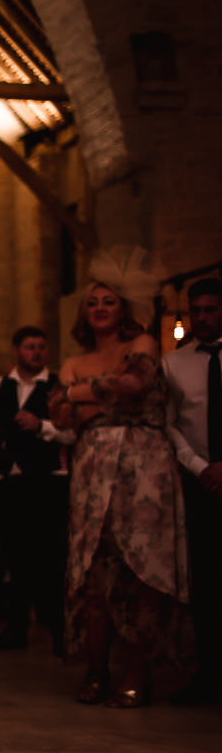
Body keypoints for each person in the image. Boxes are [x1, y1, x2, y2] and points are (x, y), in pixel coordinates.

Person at [54, 271, 188, 707]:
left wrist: (81, 394)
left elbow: (135, 385)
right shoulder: (74, 358)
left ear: (124, 308)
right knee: (94, 568)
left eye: (108, 302)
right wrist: (86, 397)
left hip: (143, 465)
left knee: (141, 569)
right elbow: (59, 414)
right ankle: (96, 668)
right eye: (92, 303)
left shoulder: (143, 345)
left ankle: (137, 668)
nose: (99, 309)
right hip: (92, 469)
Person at [0, 326, 70, 653]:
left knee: (50, 557)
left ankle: (59, 630)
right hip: (12, 478)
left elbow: (72, 432)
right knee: (15, 555)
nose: (35, 353)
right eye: (29, 347)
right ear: (16, 350)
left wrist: (43, 426)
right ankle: (16, 626)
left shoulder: (57, 385)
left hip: (48, 478)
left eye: (40, 347)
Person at [167, 277, 222, 703]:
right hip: (199, 480)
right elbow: (170, 425)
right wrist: (202, 467)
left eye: (211, 309)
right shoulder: (175, 364)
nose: (202, 318)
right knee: (204, 579)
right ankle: (206, 672)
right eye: (196, 310)